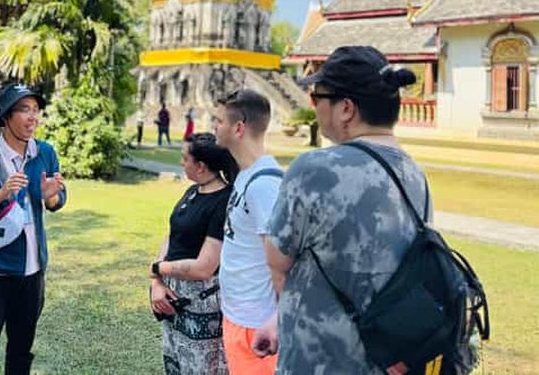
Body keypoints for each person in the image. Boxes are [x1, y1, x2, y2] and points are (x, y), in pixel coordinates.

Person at [258, 46, 427, 373]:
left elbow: (277, 261)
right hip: (386, 357)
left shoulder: (315, 169)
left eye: (316, 97)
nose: (314, 105)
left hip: (321, 359)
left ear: (345, 108)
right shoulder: (414, 173)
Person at [0, 82, 68, 375]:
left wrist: (51, 195)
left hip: (33, 272)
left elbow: (58, 198)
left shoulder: (44, 152)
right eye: (24, 110)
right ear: (6, 116)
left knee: (22, 350)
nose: (33, 117)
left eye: (36, 110)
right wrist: (1, 194)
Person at [149, 132, 239, 375]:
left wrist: (158, 269)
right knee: (175, 363)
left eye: (184, 158)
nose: (181, 163)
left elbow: (205, 267)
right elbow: (172, 234)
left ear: (200, 166)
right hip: (172, 297)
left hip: (202, 303)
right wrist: (157, 283)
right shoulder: (192, 191)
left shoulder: (224, 202)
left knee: (201, 368)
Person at [213, 89, 282, 375]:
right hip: (238, 317)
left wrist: (278, 320)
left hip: (257, 326)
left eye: (218, 121)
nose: (214, 127)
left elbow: (284, 265)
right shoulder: (245, 174)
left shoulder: (265, 185)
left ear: (238, 128)